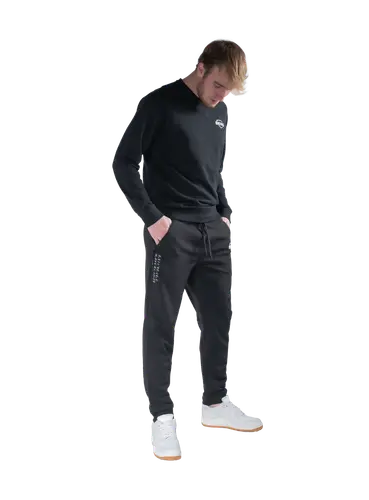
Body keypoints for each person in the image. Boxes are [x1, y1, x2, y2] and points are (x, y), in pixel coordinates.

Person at [111, 38, 264, 463]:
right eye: (217, 86)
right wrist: (154, 219)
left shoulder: (218, 111)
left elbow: (213, 167)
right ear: (201, 68)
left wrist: (224, 213)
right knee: (162, 324)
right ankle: (162, 418)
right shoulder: (159, 104)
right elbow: (124, 163)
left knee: (218, 318)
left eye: (228, 92)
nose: (221, 97)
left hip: (212, 231)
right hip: (171, 231)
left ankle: (215, 402)